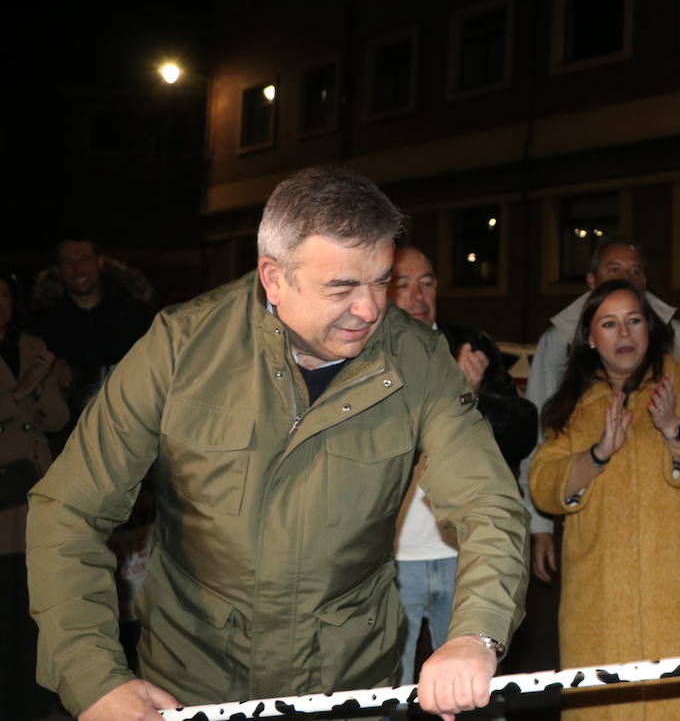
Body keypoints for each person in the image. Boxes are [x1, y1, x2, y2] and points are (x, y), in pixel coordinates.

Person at [27, 167, 529, 721]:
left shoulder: (420, 360)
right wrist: (93, 678)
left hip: (346, 692)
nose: (369, 309)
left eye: (380, 281)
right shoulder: (180, 348)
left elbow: (489, 504)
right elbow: (71, 509)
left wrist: (476, 634)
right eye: (341, 287)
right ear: (273, 277)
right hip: (191, 690)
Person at [529, 279, 680, 721]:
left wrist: (675, 429)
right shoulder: (577, 402)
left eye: (634, 321)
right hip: (601, 605)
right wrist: (598, 453)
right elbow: (544, 485)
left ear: (650, 327)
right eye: (609, 323)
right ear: (590, 337)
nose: (624, 334)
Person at [521, 235, 680, 585]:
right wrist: (539, 526)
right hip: (600, 574)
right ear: (591, 280)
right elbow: (542, 448)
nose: (626, 278)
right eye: (615, 269)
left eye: (635, 271)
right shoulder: (561, 351)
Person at [388, 244, 537, 688]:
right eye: (403, 283)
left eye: (428, 282)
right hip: (392, 563)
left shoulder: (469, 347)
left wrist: (470, 396)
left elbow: (521, 431)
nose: (418, 295)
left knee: (470, 688)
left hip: (463, 554)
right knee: (382, 692)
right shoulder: (366, 353)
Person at [0, 271, 69, 720]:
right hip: (2, 509)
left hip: (37, 499)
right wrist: (19, 393)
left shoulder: (30, 346)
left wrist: (42, 388)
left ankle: (39, 694)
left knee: (39, 604)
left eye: (4, 293)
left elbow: (58, 420)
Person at [28, 236, 155, 450]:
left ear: (100, 262)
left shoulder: (135, 314)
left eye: (84, 259)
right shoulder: (41, 324)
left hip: (130, 433)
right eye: (68, 261)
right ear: (58, 269)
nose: (77, 269)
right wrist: (50, 369)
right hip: (68, 442)